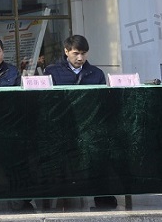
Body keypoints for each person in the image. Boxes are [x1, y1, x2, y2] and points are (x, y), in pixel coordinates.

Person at [45, 35, 116, 209]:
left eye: (83, 53)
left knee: (96, 159)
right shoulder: (52, 71)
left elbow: (102, 101)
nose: (80, 58)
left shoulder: (96, 73)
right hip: (62, 125)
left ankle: (101, 195)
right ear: (66, 51)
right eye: (76, 53)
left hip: (89, 124)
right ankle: (63, 194)